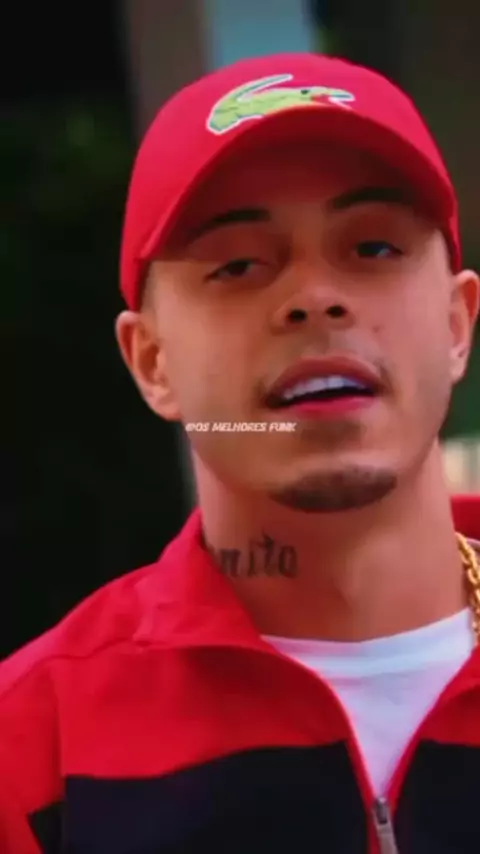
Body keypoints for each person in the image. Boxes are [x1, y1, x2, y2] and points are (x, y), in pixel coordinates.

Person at [1, 52, 479, 854]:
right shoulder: (30, 748)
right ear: (152, 361)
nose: (314, 298)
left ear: (458, 324)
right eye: (238, 264)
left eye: (373, 248)